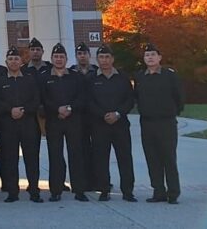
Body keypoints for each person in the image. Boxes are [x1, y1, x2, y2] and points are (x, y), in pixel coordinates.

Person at [134, 42, 185, 204]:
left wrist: (171, 112)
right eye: (147, 55)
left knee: (168, 158)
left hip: (166, 123)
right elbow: (137, 98)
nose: (150, 58)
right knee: (152, 159)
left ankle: (173, 192)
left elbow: (179, 98)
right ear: (144, 58)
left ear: (160, 57)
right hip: (147, 123)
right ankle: (158, 191)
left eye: (153, 55)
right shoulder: (140, 77)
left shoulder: (170, 75)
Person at [39, 44, 88, 202]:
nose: (59, 59)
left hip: (73, 120)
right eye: (56, 57)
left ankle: (79, 190)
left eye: (61, 57)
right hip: (54, 121)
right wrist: (57, 109)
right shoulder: (45, 77)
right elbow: (42, 99)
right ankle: (56, 190)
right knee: (55, 156)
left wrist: (69, 108)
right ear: (51, 59)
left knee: (76, 155)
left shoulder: (76, 76)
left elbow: (82, 97)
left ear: (66, 59)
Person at [86, 44, 135, 202]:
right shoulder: (91, 78)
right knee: (101, 158)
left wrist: (118, 114)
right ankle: (104, 190)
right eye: (101, 57)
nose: (105, 60)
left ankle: (127, 191)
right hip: (100, 125)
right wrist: (103, 115)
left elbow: (130, 99)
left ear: (112, 59)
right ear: (97, 59)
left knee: (125, 158)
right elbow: (89, 101)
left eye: (107, 57)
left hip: (120, 124)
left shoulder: (123, 77)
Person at [0, 46, 42, 203]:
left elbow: (36, 100)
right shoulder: (0, 80)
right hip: (8, 125)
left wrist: (24, 110)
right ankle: (12, 192)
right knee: (10, 159)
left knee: (32, 159)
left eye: (16, 59)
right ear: (6, 62)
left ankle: (34, 191)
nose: (13, 61)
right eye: (10, 59)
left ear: (21, 62)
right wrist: (10, 110)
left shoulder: (29, 79)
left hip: (28, 124)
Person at [69, 43, 98, 192]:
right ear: (76, 56)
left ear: (89, 55)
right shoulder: (71, 72)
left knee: (97, 150)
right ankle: (80, 182)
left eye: (84, 53)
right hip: (77, 116)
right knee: (79, 149)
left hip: (95, 116)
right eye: (79, 54)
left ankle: (97, 181)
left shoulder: (97, 71)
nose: (82, 56)